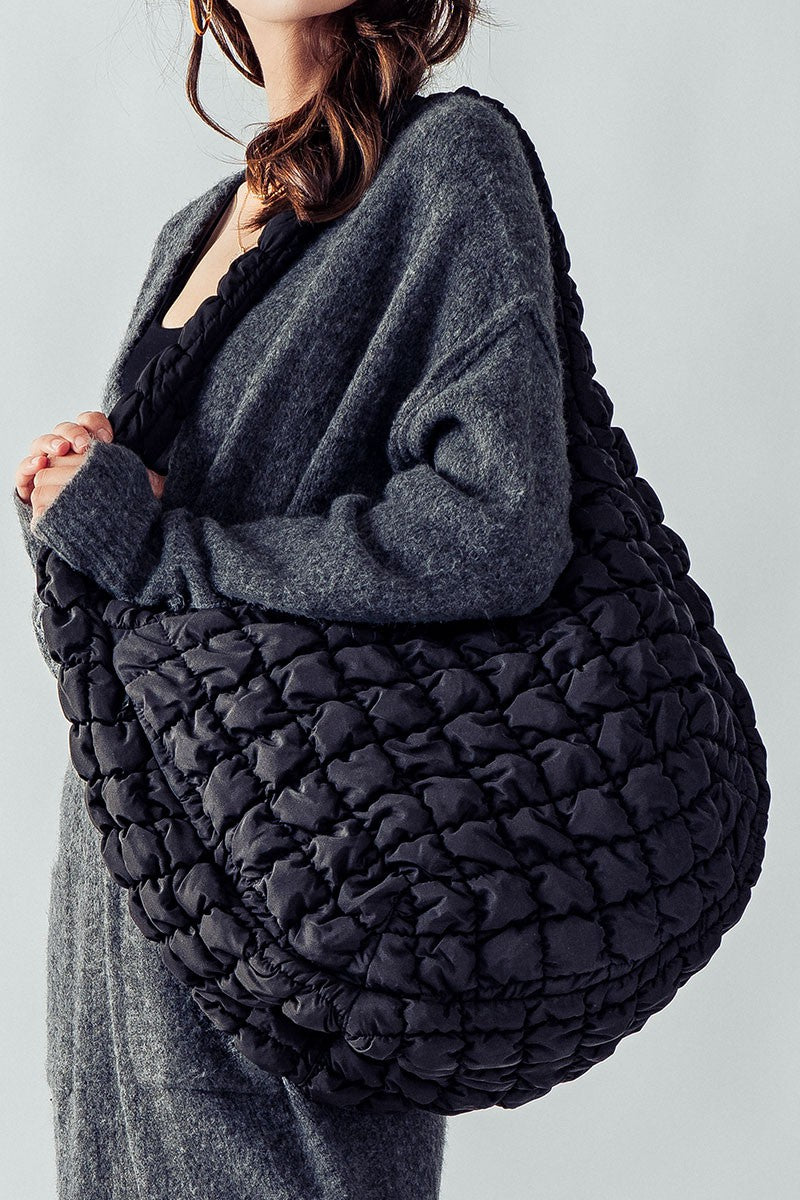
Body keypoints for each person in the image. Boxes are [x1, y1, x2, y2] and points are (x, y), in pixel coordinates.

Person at [12, 2, 574, 1196]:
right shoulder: (189, 233)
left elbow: (499, 522)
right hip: (129, 907)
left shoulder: (447, 164)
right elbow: (143, 585)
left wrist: (166, 547)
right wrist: (81, 499)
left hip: (296, 898)